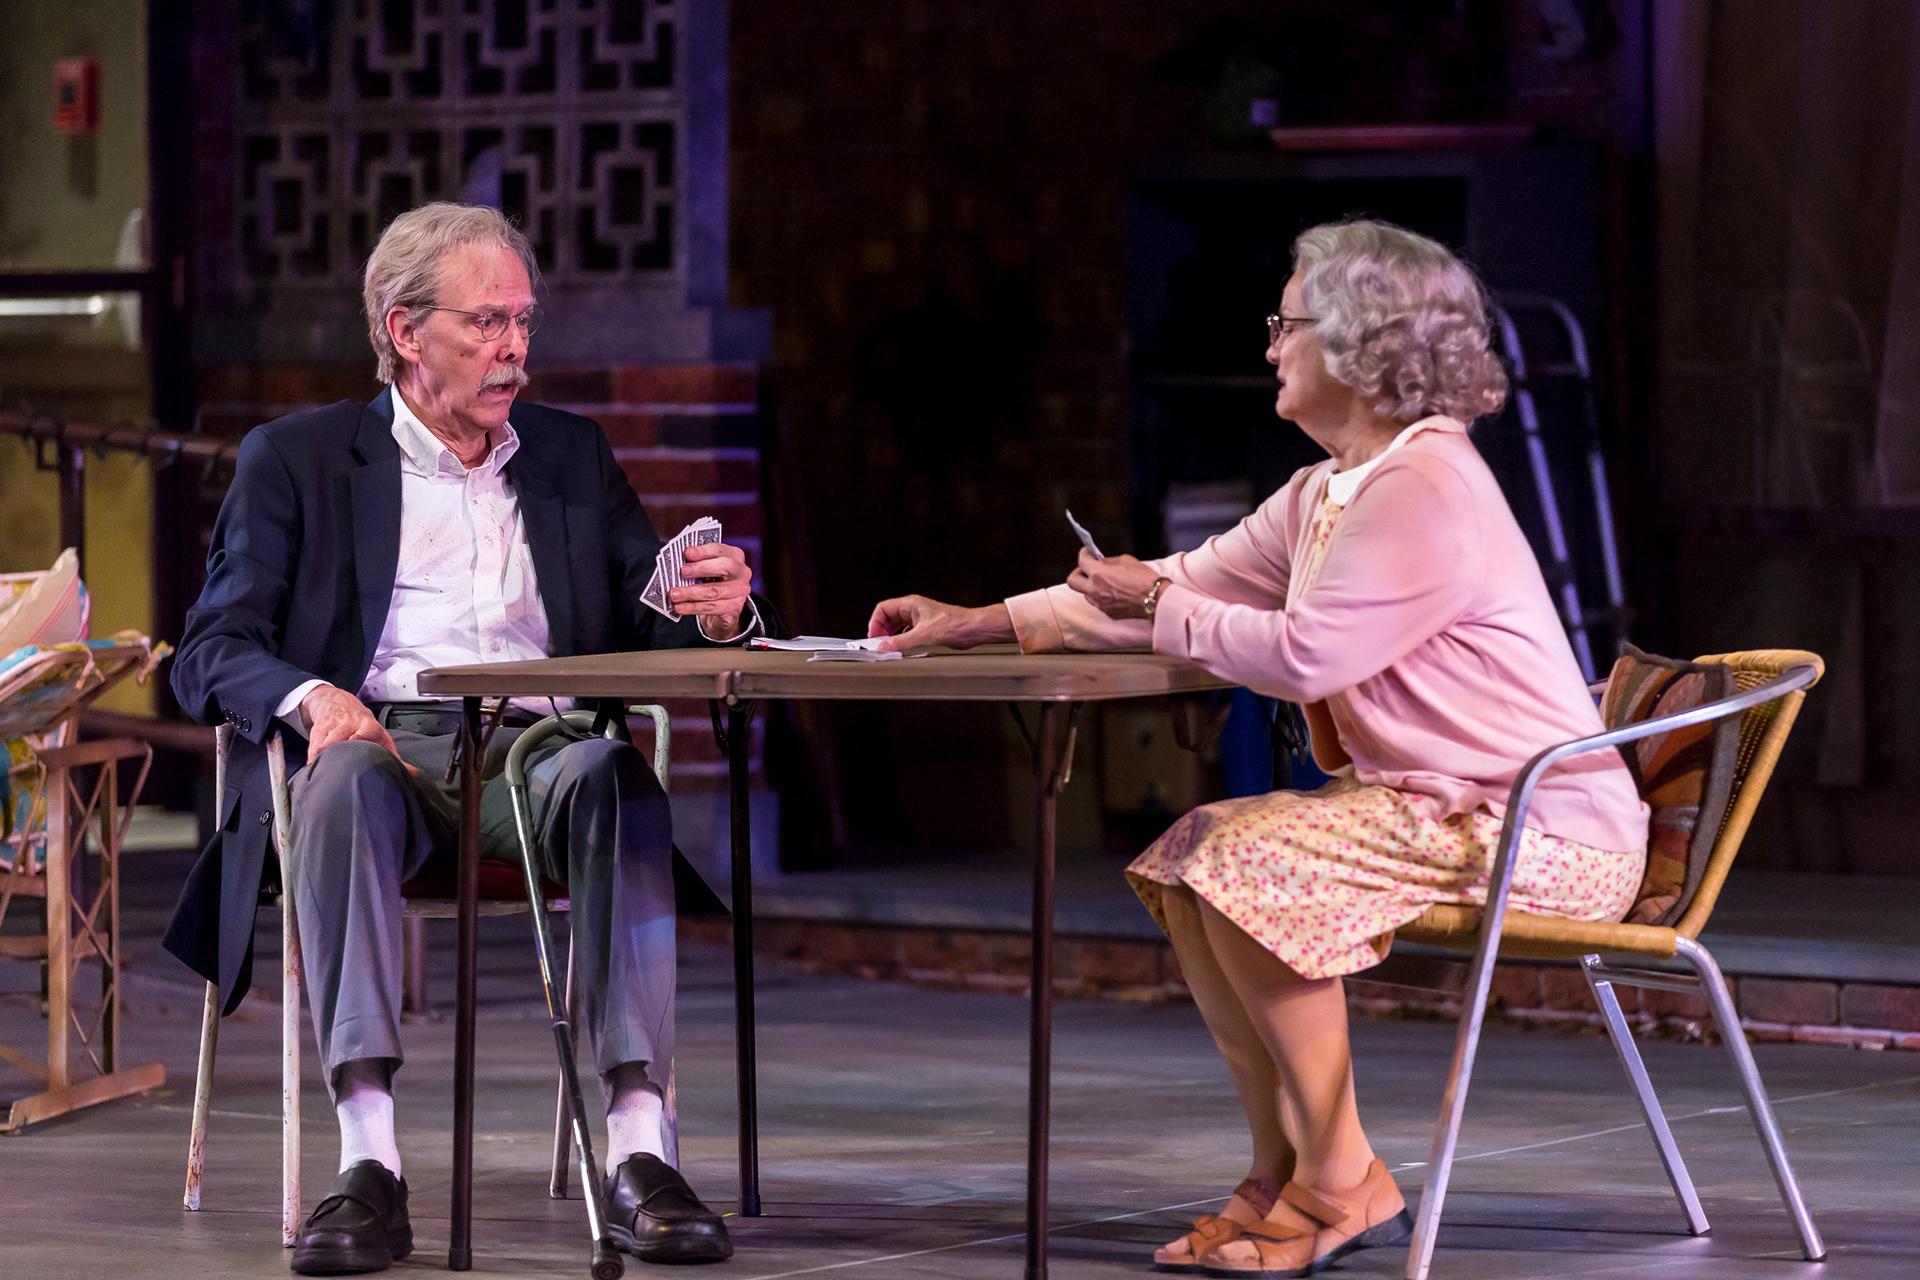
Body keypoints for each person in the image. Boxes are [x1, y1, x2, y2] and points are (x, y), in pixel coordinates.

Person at [866, 220, 1649, 1276]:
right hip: (1448, 812)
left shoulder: (1425, 484)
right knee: (1194, 855)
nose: (1272, 341)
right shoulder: (1327, 489)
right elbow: (1163, 591)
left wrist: (1161, 596)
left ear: (1366, 343)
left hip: (1541, 829)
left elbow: (1306, 652)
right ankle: (1287, 1166)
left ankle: (1341, 1176)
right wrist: (970, 618)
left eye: (1290, 322)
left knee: (1245, 857)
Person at [165, 202, 759, 1273]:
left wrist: (705, 602)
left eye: (523, 322)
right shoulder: (297, 459)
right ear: (403, 330)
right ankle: (370, 1162)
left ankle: (637, 1151)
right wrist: (313, 699)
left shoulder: (570, 456)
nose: (514, 348)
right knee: (336, 781)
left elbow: (639, 608)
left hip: (535, 753)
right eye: (486, 322)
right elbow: (209, 648)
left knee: (616, 776)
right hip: (380, 745)